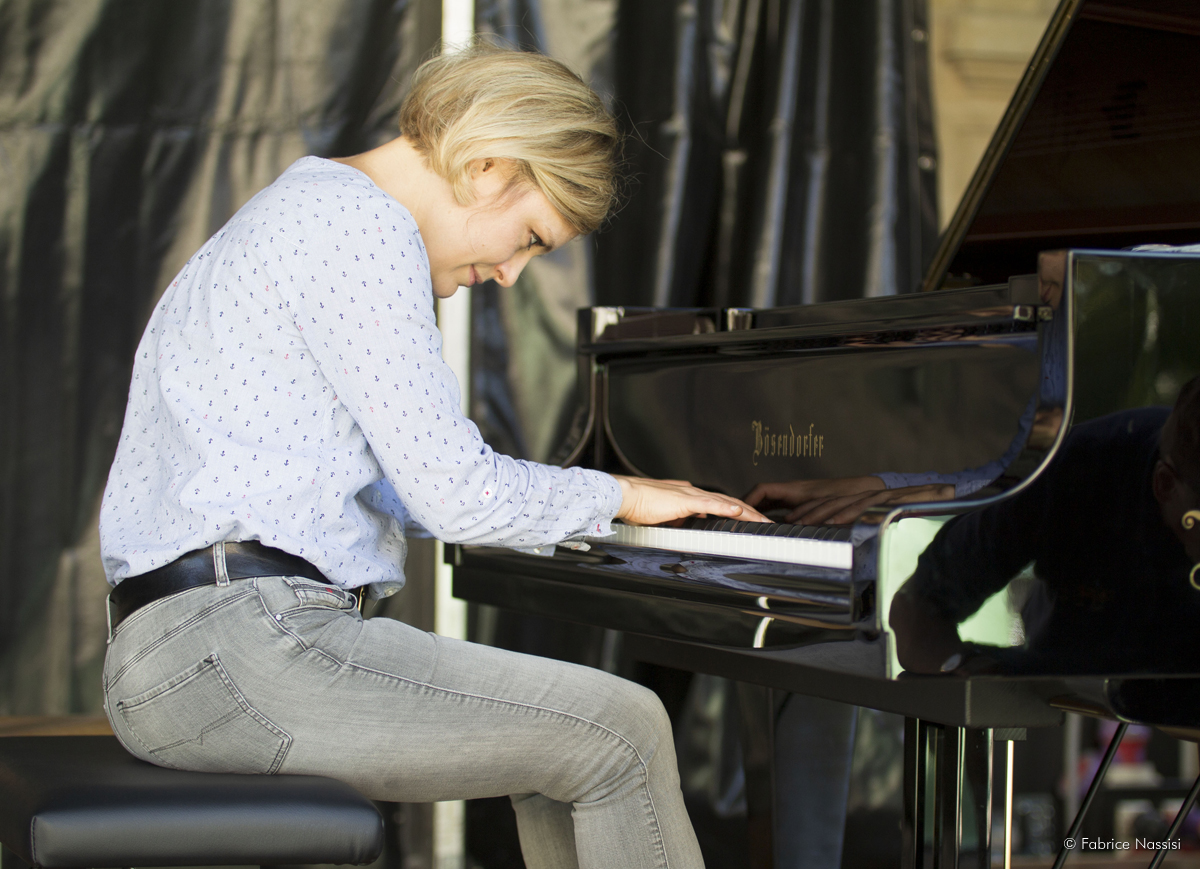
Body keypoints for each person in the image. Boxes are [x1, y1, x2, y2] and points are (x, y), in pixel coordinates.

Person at [98, 45, 767, 869]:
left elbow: (407, 492)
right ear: (490, 166)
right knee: (623, 730)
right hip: (239, 645)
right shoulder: (359, 226)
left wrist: (580, 515)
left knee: (566, 749)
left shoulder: (309, 207)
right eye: (530, 237)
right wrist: (623, 497)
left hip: (187, 649)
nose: (512, 274)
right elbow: (455, 493)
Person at [889, 374, 1200, 676]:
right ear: (1164, 485)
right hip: (1053, 690)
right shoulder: (1073, 472)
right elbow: (916, 609)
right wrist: (971, 673)